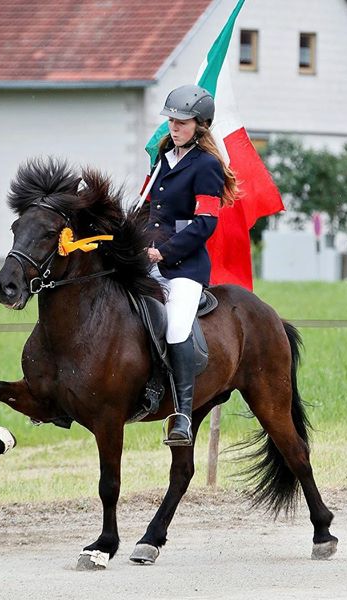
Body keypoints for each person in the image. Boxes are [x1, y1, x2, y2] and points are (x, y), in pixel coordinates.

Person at [144, 84, 237, 446]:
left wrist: (164, 252)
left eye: (181, 121)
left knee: (177, 328)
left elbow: (205, 223)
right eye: (171, 120)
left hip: (183, 267)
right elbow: (150, 212)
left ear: (200, 124)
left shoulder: (207, 166)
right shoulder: (162, 159)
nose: (174, 126)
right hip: (147, 259)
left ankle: (181, 414)